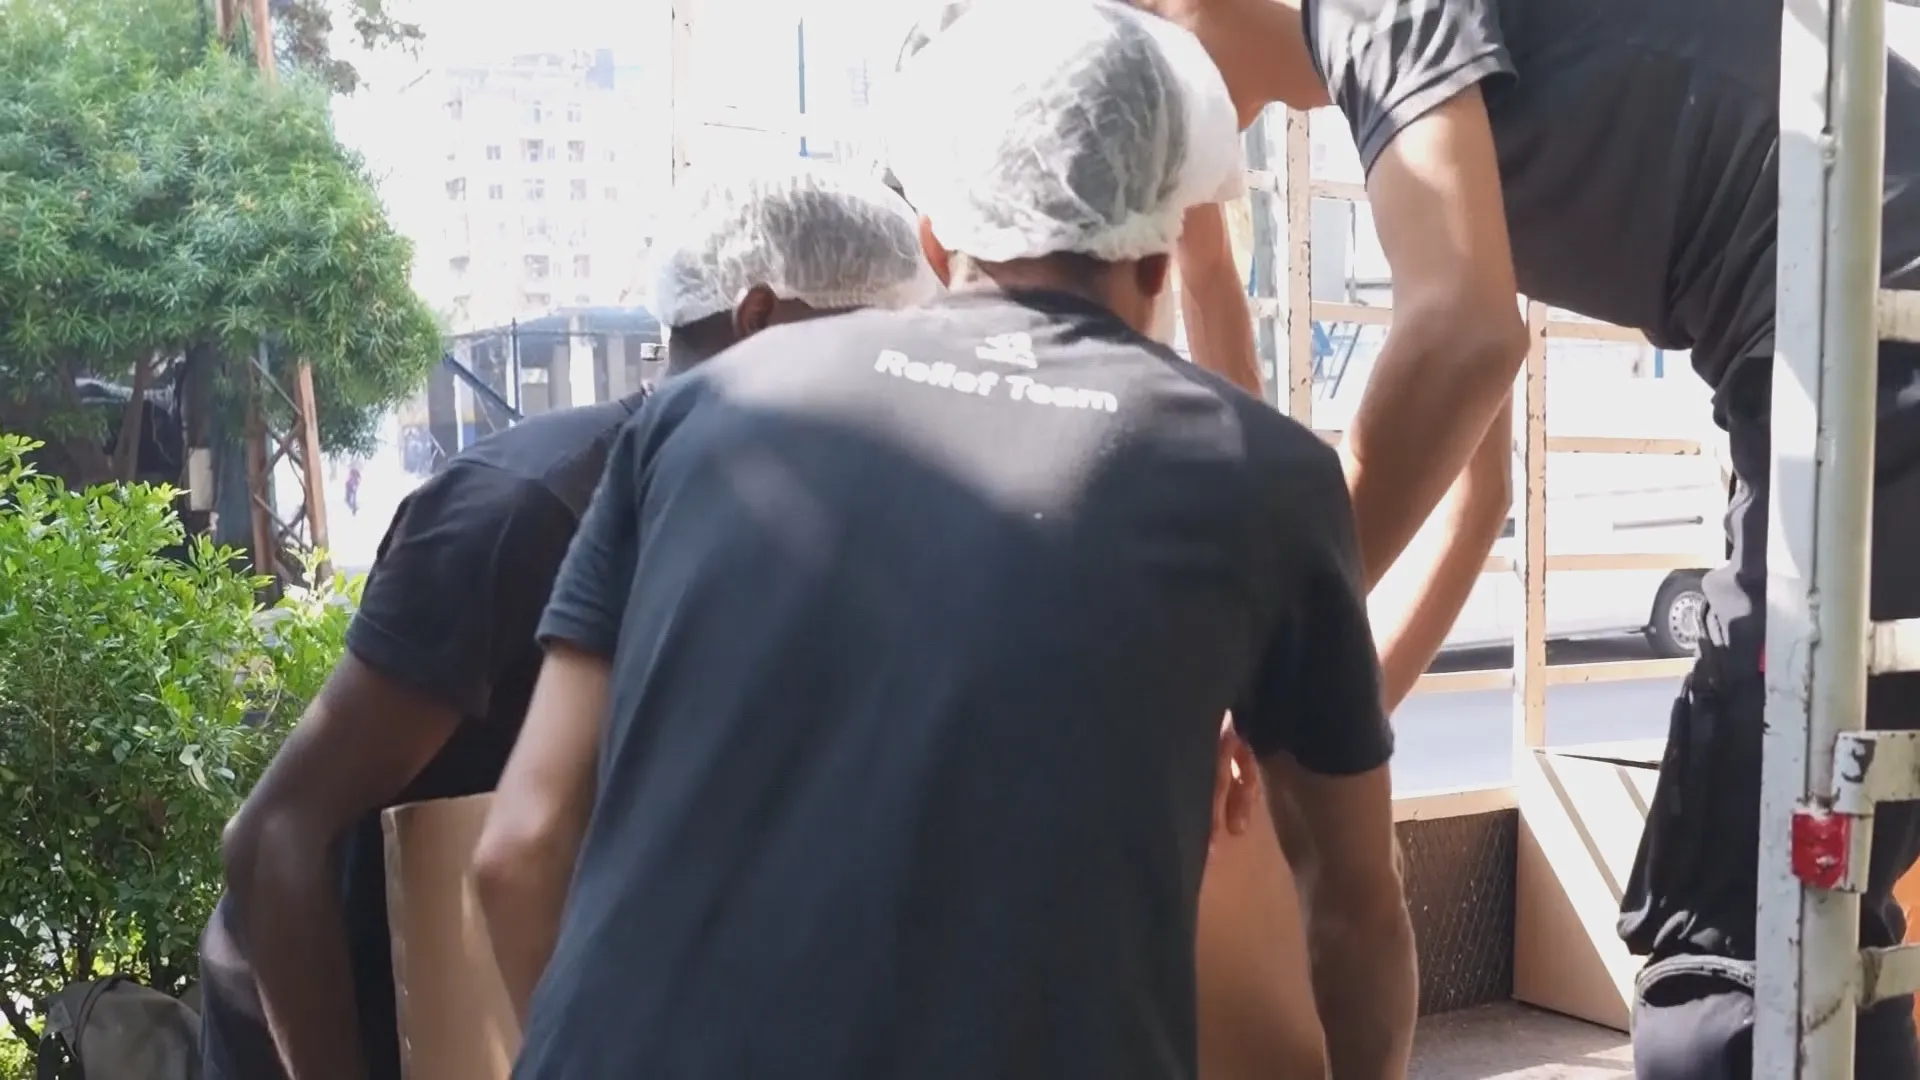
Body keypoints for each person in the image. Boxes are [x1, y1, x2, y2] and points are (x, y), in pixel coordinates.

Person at [491, 3, 1417, 1078]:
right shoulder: (1261, 472)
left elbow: (517, 850)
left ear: (933, 238)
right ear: (1161, 258)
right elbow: (1353, 914)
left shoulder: (697, 412)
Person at [1140, 0, 1920, 1075]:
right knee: (1807, 917)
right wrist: (1205, 264)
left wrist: (1263, 638)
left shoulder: (1374, 14)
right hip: (1834, 368)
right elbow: (1471, 441)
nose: (1128, 104)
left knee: (1739, 960)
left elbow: (1465, 339)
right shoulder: (1425, 99)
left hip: (1871, 353)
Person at [198, 161, 939, 1080]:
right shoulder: (519, 514)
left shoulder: (780, 520)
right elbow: (275, 837)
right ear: (758, 318)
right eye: (879, 345)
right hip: (346, 1039)